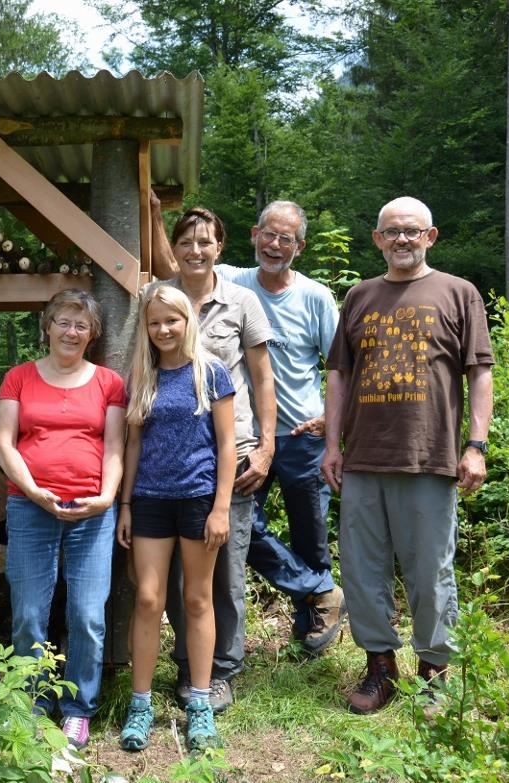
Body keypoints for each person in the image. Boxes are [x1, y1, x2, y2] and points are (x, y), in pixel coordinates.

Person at [322, 196, 493, 714]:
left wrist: (476, 445)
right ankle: (380, 668)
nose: (401, 239)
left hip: (430, 457)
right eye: (391, 231)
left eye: (411, 231)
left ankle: (434, 669)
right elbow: (339, 375)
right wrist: (333, 445)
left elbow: (479, 371)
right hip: (364, 459)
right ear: (377, 239)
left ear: (430, 237)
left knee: (430, 569)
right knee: (361, 568)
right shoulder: (359, 297)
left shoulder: (459, 293)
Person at [185, 199, 347, 655]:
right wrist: (152, 207)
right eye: (269, 235)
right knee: (243, 527)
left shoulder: (314, 296)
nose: (275, 245)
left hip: (302, 436)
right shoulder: (233, 279)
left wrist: (334, 421)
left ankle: (310, 636)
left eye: (286, 238)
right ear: (255, 235)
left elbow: (340, 365)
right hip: (243, 439)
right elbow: (177, 261)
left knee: (310, 534)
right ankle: (318, 589)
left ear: (300, 245)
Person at [150, 205, 275, 714]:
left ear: (220, 247)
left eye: (206, 242)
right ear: (174, 248)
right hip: (168, 460)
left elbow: (263, 378)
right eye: (186, 242)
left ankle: (221, 671)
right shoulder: (156, 299)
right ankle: (188, 664)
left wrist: (267, 447)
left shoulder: (242, 301)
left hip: (233, 455)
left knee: (225, 569)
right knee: (180, 575)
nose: (196, 250)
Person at [0, 288, 127, 750]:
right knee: (30, 613)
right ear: (47, 326)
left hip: (92, 511)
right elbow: (2, 444)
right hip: (32, 508)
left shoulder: (109, 382)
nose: (71, 332)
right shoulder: (19, 378)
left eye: (81, 325)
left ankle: (78, 708)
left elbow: (114, 447)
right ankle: (30, 703)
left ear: (93, 334)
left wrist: (107, 496)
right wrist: (32, 490)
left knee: (87, 615)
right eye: (63, 322)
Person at [116, 284, 236, 754]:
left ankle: (200, 705)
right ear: (145, 328)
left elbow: (227, 445)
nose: (163, 329)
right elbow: (133, 444)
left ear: (187, 321)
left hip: (198, 498)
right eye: (154, 322)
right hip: (148, 498)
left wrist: (221, 507)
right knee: (147, 598)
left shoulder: (211, 372)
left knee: (197, 599)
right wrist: (125, 504)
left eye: (172, 320)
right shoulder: (142, 375)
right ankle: (140, 703)